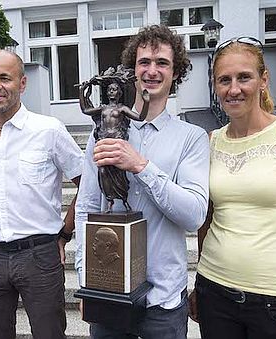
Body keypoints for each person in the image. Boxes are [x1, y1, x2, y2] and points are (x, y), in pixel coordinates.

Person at [75, 24, 210, 339]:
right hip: (108, 292)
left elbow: (194, 215)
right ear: (131, 71)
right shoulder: (104, 129)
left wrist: (140, 166)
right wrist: (86, 280)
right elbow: (86, 206)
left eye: (161, 62)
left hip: (162, 303)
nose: (152, 70)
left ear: (175, 72)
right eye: (144, 62)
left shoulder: (191, 137)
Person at [188, 37, 276, 339]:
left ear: (264, 80)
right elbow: (205, 221)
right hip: (214, 291)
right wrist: (199, 283)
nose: (233, 89)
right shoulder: (210, 142)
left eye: (244, 77)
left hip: (274, 302)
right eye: (224, 80)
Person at [0, 49, 84, 339]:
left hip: (39, 255)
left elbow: (87, 184)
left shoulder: (49, 130)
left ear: (22, 84)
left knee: (49, 334)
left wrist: (64, 235)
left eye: (5, 77)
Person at [79, 74, 150, 211]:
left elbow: (140, 117)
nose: (112, 92)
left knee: (120, 173)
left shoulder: (122, 108)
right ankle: (109, 200)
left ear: (120, 93)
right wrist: (82, 91)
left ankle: (123, 200)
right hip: (104, 143)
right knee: (104, 171)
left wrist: (146, 102)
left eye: (115, 89)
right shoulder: (103, 108)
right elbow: (86, 110)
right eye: (110, 90)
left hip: (118, 145)